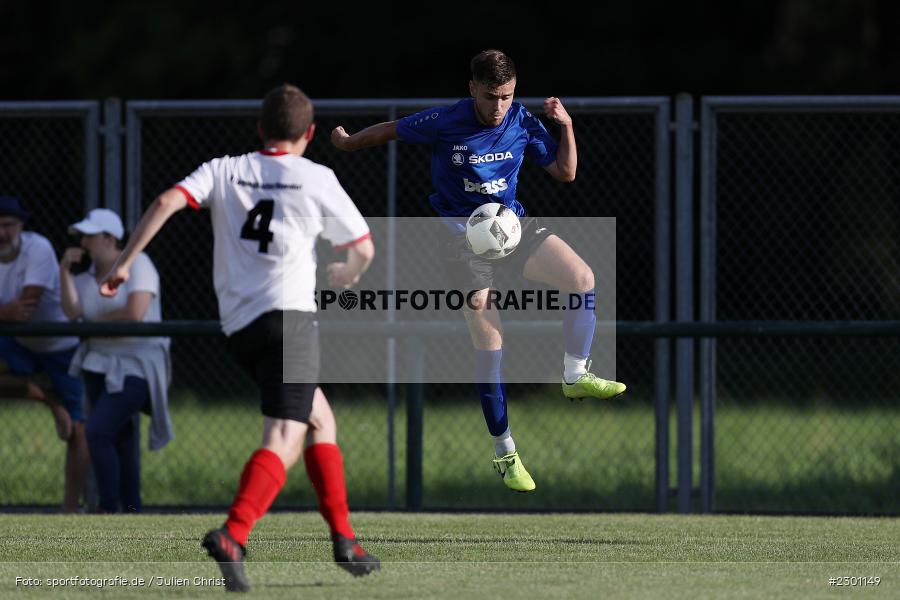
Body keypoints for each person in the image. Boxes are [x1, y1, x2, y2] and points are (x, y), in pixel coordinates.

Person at [99, 84, 379, 592]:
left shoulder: (224, 169)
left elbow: (166, 200)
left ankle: (345, 540)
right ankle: (234, 533)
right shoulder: (316, 177)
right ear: (310, 133)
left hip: (240, 328)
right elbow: (363, 247)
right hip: (291, 322)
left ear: (260, 128)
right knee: (284, 437)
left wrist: (123, 263)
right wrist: (348, 273)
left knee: (320, 418)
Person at [331, 49, 626, 493]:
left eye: (507, 96)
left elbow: (565, 172)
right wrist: (349, 142)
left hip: (510, 227)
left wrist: (565, 125)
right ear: (473, 89)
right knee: (491, 341)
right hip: (461, 243)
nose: (499, 106)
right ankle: (505, 451)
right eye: (491, 96)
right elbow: (392, 129)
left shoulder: (522, 121)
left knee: (581, 278)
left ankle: (574, 374)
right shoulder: (446, 120)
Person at [59, 208, 173, 513]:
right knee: (120, 437)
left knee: (97, 431)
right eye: (82, 237)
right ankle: (132, 510)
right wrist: (64, 271)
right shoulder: (84, 278)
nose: (83, 243)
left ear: (110, 239)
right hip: (97, 364)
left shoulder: (139, 264)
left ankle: (108, 507)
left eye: (90, 236)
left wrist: (93, 326)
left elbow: (135, 313)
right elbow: (72, 313)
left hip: (138, 365)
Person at [0, 195, 89, 513]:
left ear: (21, 226)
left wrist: (9, 314)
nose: (2, 233)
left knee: (78, 428)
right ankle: (50, 400)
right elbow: (12, 315)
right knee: (66, 410)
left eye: (8, 225)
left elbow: (25, 308)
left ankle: (69, 510)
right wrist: (6, 313)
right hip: (20, 342)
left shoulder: (38, 248)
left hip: (62, 346)